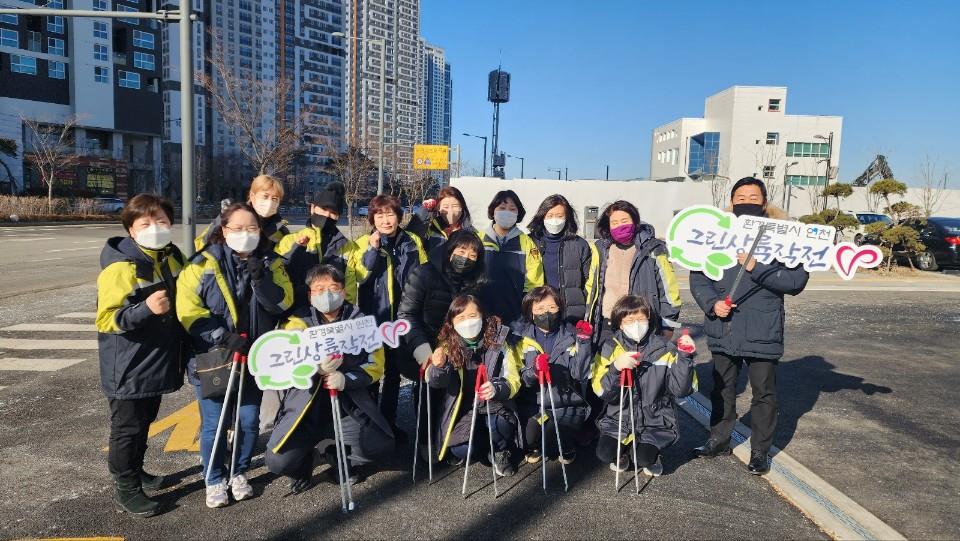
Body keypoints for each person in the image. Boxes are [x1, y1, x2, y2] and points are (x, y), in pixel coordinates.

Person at [176, 202, 294, 508]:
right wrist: (222, 336)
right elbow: (188, 310)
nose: (245, 234)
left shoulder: (272, 262)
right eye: (237, 229)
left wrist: (261, 279)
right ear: (223, 230)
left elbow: (283, 304)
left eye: (251, 228)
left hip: (255, 356)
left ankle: (238, 471)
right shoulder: (202, 264)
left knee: (248, 420)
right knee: (214, 422)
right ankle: (214, 478)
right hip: (214, 355)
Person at [690, 177, 809, 475]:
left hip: (762, 327)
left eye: (753, 197)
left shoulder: (785, 238)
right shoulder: (716, 234)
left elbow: (795, 282)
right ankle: (718, 438)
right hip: (723, 324)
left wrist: (758, 267)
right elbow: (698, 276)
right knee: (721, 387)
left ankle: (760, 451)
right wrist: (711, 304)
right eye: (740, 196)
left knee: (764, 393)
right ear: (730, 203)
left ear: (765, 203)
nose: (746, 201)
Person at [265, 265, 394, 492]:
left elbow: (376, 365)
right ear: (310, 295)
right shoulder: (297, 323)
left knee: (380, 446)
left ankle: (336, 454)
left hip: (346, 407)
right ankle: (305, 462)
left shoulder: (360, 321)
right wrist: (314, 367)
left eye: (333, 288)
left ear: (344, 292)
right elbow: (287, 362)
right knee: (278, 461)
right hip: (305, 410)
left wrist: (346, 378)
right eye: (320, 289)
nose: (327, 294)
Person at [96, 194, 185, 517]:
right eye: (145, 224)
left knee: (144, 421)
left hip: (156, 360)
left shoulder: (172, 256)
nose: (155, 228)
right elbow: (107, 320)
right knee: (127, 428)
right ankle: (126, 486)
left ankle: (137, 470)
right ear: (131, 230)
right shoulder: (121, 268)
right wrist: (144, 310)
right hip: (128, 365)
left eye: (161, 221)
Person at [349, 194, 428, 438]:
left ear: (399, 216)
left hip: (403, 320)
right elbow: (358, 277)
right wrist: (373, 250)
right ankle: (372, 427)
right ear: (372, 218)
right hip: (373, 319)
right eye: (380, 215)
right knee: (372, 374)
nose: (386, 220)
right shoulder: (362, 242)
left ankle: (389, 423)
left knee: (394, 373)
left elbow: (425, 276)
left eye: (390, 214)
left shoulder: (412, 241)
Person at [591, 295, 697, 476]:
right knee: (604, 453)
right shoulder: (609, 347)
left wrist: (685, 358)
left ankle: (652, 455)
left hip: (655, 419)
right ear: (619, 323)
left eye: (641, 319)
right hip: (619, 418)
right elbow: (603, 392)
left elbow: (681, 390)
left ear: (649, 319)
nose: (636, 324)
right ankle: (622, 454)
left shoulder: (665, 348)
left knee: (643, 459)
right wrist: (616, 368)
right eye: (629, 320)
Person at [427, 294, 523, 476]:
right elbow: (435, 382)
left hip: (493, 405)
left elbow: (513, 379)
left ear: (482, 316)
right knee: (463, 450)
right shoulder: (447, 345)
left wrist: (497, 388)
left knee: (501, 424)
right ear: (452, 322)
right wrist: (439, 367)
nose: (467, 323)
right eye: (461, 318)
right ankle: (481, 446)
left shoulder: (500, 340)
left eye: (472, 316)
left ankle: (500, 451)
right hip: (463, 408)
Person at [514, 286, 593, 465]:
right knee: (527, 437)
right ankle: (535, 446)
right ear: (531, 312)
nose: (546, 313)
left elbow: (580, 374)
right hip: (534, 404)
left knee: (554, 439)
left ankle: (565, 447)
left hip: (566, 404)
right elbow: (522, 379)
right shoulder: (521, 339)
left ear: (560, 308)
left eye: (552, 308)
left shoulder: (572, 335)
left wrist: (585, 343)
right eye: (540, 309)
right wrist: (534, 371)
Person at [590, 200, 682, 343]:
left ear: (635, 221)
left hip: (640, 325)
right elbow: (592, 287)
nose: (620, 225)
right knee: (606, 364)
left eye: (624, 220)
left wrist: (668, 325)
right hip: (606, 325)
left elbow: (669, 290)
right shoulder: (601, 249)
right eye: (614, 222)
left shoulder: (653, 249)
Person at [397, 229, 487, 369]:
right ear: (450, 251)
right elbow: (406, 314)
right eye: (461, 252)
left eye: (472, 255)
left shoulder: (476, 283)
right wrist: (422, 350)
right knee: (427, 388)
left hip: (457, 354)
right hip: (424, 346)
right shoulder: (424, 273)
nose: (465, 258)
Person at [275, 181, 355, 305]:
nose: (327, 215)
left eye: (333, 212)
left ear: (338, 216)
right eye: (323, 209)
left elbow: (350, 288)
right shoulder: (289, 241)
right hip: (298, 315)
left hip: (334, 316)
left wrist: (344, 314)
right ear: (312, 208)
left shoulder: (347, 247)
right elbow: (278, 277)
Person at [526, 194, 599, 325]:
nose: (555, 220)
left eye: (560, 216)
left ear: (567, 218)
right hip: (540, 312)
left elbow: (589, 281)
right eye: (550, 215)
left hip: (572, 314)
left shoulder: (579, 244)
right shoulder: (530, 242)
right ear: (542, 217)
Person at [478, 189, 545, 325]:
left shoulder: (526, 242)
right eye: (502, 208)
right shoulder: (478, 239)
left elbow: (534, 282)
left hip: (515, 315)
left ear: (518, 213)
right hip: (480, 312)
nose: (507, 212)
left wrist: (527, 309)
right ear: (493, 211)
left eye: (512, 209)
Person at [195, 174, 290, 252]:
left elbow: (284, 264)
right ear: (252, 196)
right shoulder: (232, 218)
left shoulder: (280, 232)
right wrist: (222, 219)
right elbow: (201, 245)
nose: (270, 202)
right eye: (265, 196)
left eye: (275, 198)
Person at [406, 185, 474, 252]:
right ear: (438, 209)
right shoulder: (430, 231)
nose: (450, 211)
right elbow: (409, 239)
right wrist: (424, 211)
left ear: (462, 207)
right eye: (445, 207)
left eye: (455, 206)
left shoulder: (472, 234)